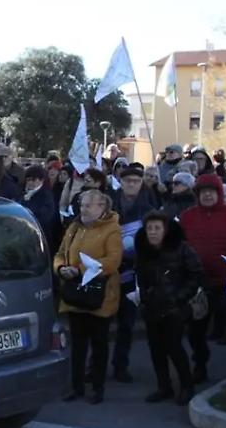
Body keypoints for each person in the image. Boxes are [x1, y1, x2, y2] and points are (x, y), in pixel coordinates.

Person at [180, 173, 226, 381]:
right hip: (198, 284)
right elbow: (180, 246)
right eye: (203, 192)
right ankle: (200, 365)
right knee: (196, 330)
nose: (207, 195)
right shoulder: (187, 217)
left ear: (219, 193)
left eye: (211, 191)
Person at [55, 190, 122, 404]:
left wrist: (81, 269)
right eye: (82, 205)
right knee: (78, 344)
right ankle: (77, 387)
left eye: (88, 206)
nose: (83, 209)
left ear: (102, 207)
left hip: (99, 296)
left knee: (99, 344)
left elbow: (113, 260)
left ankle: (97, 387)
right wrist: (61, 268)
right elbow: (60, 254)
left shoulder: (112, 229)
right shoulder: (74, 227)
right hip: (75, 294)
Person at [135, 211, 203, 404]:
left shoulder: (182, 248)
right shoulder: (144, 251)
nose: (153, 232)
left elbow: (196, 274)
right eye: (149, 228)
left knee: (174, 347)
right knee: (156, 349)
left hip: (174, 308)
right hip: (152, 307)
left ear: (165, 230)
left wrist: (178, 297)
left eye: (157, 228)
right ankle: (164, 386)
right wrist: (144, 296)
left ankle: (187, 386)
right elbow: (140, 276)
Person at [109, 166, 155, 382]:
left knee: (126, 324)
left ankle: (121, 365)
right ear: (121, 182)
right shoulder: (108, 205)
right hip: (107, 270)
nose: (131, 185)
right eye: (128, 181)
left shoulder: (147, 209)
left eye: (136, 181)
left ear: (141, 184)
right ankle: (94, 367)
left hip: (132, 272)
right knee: (101, 322)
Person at [21, 165, 58, 250]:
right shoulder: (23, 193)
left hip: (40, 236)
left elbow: (45, 216)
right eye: (28, 180)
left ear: (41, 180)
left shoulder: (46, 195)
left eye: (33, 180)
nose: (30, 182)